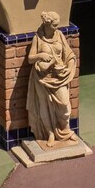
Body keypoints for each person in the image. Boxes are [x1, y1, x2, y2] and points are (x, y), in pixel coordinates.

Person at [25, 10, 77, 145]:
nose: (56, 28)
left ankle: (65, 130)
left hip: (58, 76)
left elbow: (69, 53)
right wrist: (40, 56)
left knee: (64, 104)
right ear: (47, 25)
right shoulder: (38, 38)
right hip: (42, 76)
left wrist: (70, 65)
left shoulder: (59, 35)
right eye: (54, 25)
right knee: (44, 106)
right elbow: (30, 58)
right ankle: (50, 134)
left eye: (57, 25)